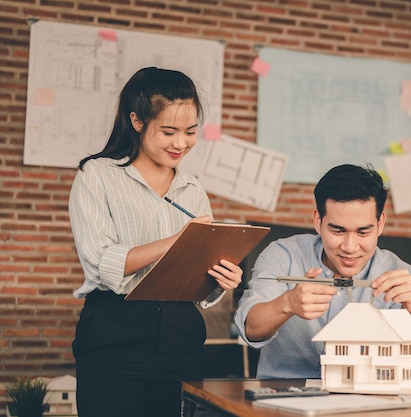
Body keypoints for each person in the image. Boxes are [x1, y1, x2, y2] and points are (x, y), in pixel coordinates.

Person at [68, 67, 243, 417]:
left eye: (191, 132)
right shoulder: (97, 176)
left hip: (182, 335)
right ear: (136, 121)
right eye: (168, 131)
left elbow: (199, 276)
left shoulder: (192, 189)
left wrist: (223, 278)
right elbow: (100, 262)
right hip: (114, 332)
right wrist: (177, 241)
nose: (181, 143)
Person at [234, 164, 411, 379]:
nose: (350, 246)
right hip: (283, 394)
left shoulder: (402, 276)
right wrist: (288, 303)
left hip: (365, 397)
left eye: (363, 232)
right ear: (318, 221)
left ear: (380, 223)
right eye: (337, 231)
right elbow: (250, 329)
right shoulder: (283, 255)